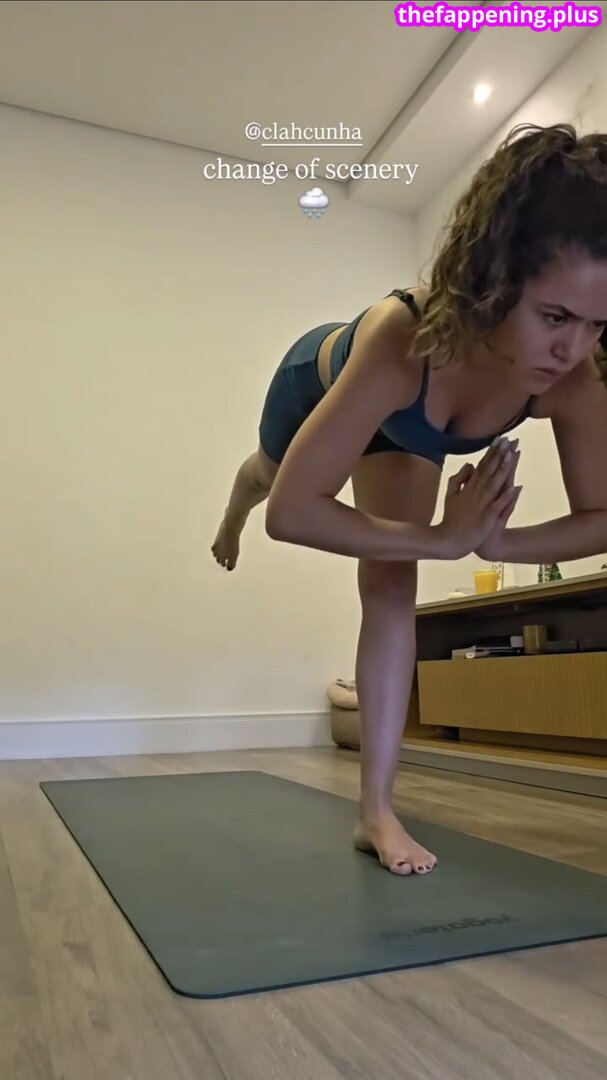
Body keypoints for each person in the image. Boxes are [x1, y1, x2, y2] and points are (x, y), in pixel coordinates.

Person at [212, 122, 607, 877]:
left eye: (597, 323)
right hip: (324, 376)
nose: (573, 349)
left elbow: (600, 517)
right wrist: (442, 537)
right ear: (493, 282)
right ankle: (233, 507)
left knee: (391, 583)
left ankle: (376, 813)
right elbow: (294, 514)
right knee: (267, 478)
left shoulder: (574, 374)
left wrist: (496, 542)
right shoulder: (407, 338)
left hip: (413, 427)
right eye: (555, 317)